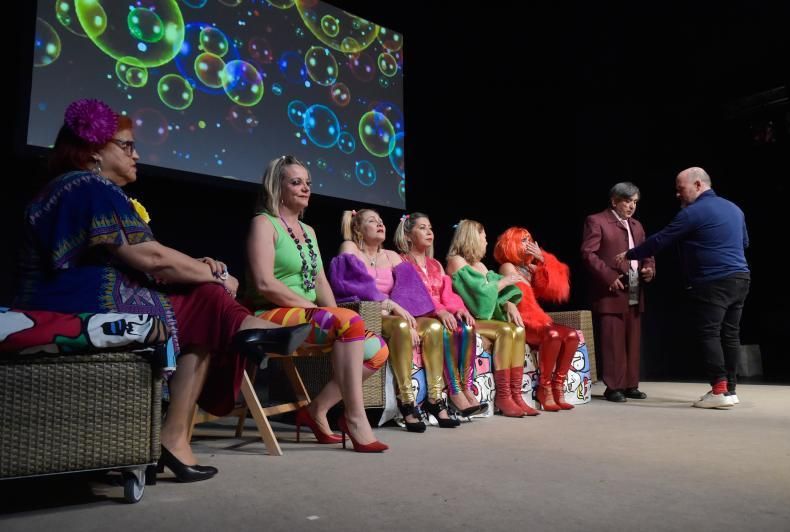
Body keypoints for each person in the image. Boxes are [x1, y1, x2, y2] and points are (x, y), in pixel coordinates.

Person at [15, 99, 308, 482]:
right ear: (92, 150)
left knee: (205, 306)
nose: (136, 154)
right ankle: (248, 332)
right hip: (70, 302)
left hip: (85, 293)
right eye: (126, 145)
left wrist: (200, 269)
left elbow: (144, 258)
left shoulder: (83, 187)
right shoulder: (85, 185)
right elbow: (149, 258)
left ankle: (176, 437)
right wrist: (211, 275)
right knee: (209, 300)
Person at [247, 155, 391, 451]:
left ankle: (316, 410)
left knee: (377, 350)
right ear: (277, 187)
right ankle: (354, 417)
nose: (305, 189)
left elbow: (321, 283)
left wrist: (335, 312)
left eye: (308, 183)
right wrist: (317, 312)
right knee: (347, 322)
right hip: (271, 316)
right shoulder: (264, 224)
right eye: (296, 182)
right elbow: (264, 283)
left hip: (307, 315)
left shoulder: (309, 231)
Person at [616, 167, 750, 409]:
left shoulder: (694, 212)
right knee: (730, 334)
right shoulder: (734, 209)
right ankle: (730, 389)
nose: (678, 195)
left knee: (710, 333)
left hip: (713, 281)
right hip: (741, 278)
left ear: (698, 185)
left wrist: (630, 253)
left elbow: (662, 240)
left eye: (681, 189)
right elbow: (744, 242)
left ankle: (719, 389)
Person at [329, 209, 460, 430]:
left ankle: (435, 400)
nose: (380, 224)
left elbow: (410, 292)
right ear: (358, 229)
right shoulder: (350, 248)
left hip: (394, 314)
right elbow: (350, 285)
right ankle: (407, 402)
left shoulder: (391, 256)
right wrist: (389, 306)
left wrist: (407, 318)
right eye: (372, 221)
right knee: (399, 324)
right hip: (365, 314)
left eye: (381, 221)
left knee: (434, 327)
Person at [394, 212, 484, 418]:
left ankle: (466, 386)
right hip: (420, 314)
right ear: (408, 235)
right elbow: (414, 295)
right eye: (422, 228)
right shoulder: (402, 262)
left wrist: (458, 309)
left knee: (467, 327)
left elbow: (447, 294)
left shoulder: (435, 264)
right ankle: (453, 391)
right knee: (445, 331)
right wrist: (439, 311)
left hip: (441, 313)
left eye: (430, 228)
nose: (429, 232)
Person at [446, 220, 535, 417]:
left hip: (484, 319)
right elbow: (479, 299)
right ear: (473, 237)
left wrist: (509, 303)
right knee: (504, 330)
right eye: (484, 236)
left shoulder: (479, 265)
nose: (486, 242)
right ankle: (503, 396)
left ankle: (516, 394)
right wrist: (504, 281)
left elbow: (495, 294)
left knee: (517, 329)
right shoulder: (456, 261)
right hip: (468, 319)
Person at [581, 182, 655, 403]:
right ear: (614, 201)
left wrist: (650, 267)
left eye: (634, 202)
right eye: (627, 201)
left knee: (633, 337)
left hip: (634, 284)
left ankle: (630, 384)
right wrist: (608, 276)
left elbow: (647, 251)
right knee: (612, 338)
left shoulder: (637, 226)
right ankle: (614, 386)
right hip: (611, 288)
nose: (631, 206)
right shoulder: (597, 221)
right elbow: (588, 254)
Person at [495, 227, 579, 412]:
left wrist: (544, 260)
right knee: (554, 334)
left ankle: (558, 386)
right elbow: (516, 301)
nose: (529, 244)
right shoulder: (507, 267)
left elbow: (559, 290)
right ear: (513, 244)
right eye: (523, 240)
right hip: (522, 322)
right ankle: (545, 388)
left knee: (572, 335)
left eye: (530, 239)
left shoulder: (530, 269)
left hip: (539, 321)